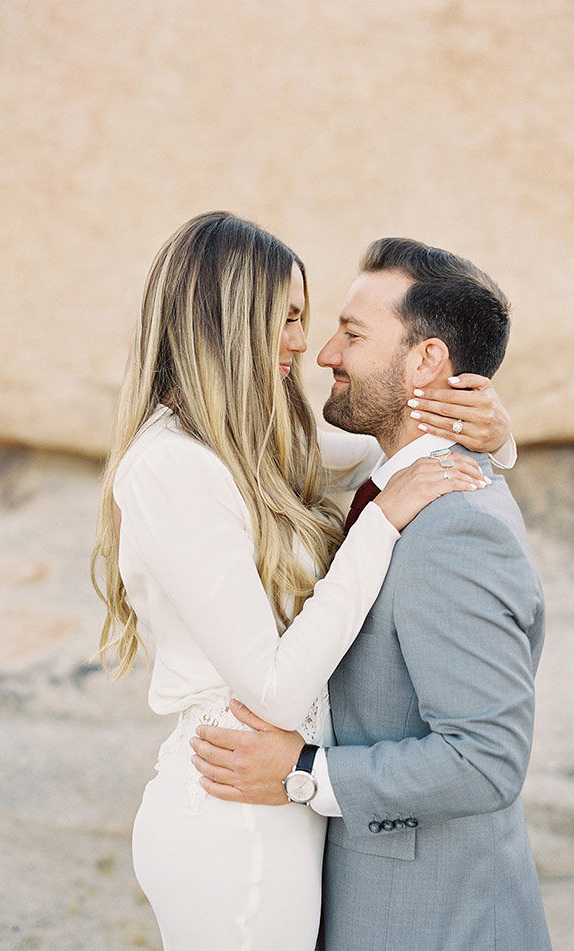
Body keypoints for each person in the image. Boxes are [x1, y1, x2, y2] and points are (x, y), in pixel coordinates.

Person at [91, 212, 514, 951]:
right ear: (228, 321)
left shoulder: (247, 442)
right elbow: (275, 689)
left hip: (273, 808)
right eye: (286, 319)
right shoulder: (171, 468)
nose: (304, 345)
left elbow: (390, 443)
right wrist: (381, 522)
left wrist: (497, 436)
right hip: (234, 813)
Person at [191, 237, 552, 950]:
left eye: (352, 334)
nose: (325, 353)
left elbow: (487, 758)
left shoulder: (454, 526)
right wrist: (500, 440)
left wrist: (301, 772)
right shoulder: (394, 481)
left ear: (426, 361)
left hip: (433, 921)